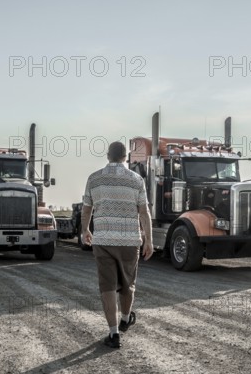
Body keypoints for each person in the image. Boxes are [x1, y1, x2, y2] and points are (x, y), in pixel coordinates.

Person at [81, 141, 153, 348]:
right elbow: (144, 212)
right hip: (130, 241)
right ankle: (125, 318)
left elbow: (87, 209)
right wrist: (149, 240)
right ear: (125, 157)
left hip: (102, 240)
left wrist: (85, 230)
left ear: (107, 155)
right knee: (128, 284)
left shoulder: (94, 179)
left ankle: (113, 335)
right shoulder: (136, 179)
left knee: (108, 287)